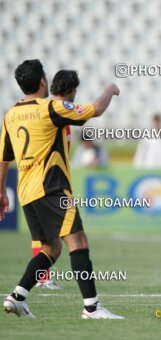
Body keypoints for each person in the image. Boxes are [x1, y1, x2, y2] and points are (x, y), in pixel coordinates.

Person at [0, 59, 123, 319]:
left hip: (26, 191)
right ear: (43, 81)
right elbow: (96, 110)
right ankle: (91, 307)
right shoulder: (51, 108)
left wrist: (1, 192)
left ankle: (18, 296)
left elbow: (4, 158)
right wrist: (110, 88)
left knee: (51, 248)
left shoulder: (11, 114)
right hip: (52, 187)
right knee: (78, 241)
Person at [32, 69, 79, 290]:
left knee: (49, 235)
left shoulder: (60, 116)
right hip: (47, 181)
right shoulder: (52, 113)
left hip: (47, 180)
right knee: (72, 238)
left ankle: (31, 286)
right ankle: (91, 305)